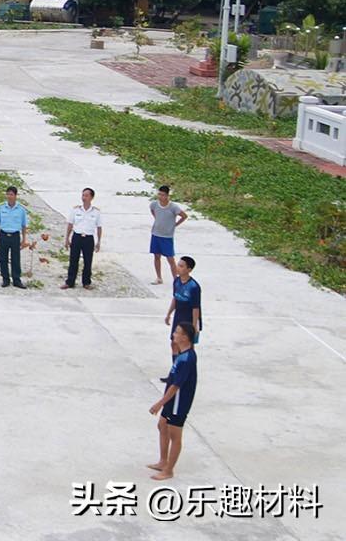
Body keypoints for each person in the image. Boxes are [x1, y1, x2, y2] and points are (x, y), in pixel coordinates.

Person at [148, 322, 198, 481]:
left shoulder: (188, 358)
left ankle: (169, 470)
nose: (174, 334)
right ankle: (163, 461)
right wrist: (174, 353)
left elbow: (176, 385)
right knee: (162, 425)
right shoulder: (182, 355)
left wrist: (160, 403)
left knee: (174, 434)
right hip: (172, 399)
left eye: (177, 332)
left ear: (185, 337)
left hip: (179, 402)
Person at [149, 186, 189, 286]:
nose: (160, 197)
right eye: (159, 194)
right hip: (156, 233)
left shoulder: (173, 207)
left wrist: (175, 224)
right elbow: (152, 210)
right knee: (156, 256)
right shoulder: (154, 204)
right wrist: (157, 219)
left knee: (170, 259)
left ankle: (176, 280)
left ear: (167, 195)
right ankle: (159, 277)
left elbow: (184, 216)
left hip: (167, 236)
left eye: (162, 195)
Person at [64, 188, 102, 290]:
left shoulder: (96, 212)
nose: (84, 198)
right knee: (73, 260)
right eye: (83, 195)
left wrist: (98, 242)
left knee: (88, 261)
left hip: (88, 238)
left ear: (91, 197)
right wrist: (67, 238)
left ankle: (86, 282)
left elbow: (99, 227)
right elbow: (70, 224)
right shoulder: (76, 210)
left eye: (86, 196)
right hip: (77, 236)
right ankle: (70, 281)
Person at [0, 186, 27, 289]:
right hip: (3, 235)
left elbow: (24, 225)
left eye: (11, 194)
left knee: (16, 258)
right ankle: (5, 279)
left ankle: (16, 279)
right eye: (8, 194)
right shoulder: (1, 207)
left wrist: (24, 239)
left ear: (16, 196)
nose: (9, 196)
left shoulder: (21, 209)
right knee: (3, 258)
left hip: (15, 235)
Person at [165, 256, 202, 344]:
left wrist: (193, 327)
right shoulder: (176, 282)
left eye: (181, 266)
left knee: (187, 345)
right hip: (178, 316)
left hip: (189, 319)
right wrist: (169, 314)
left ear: (189, 269)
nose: (178, 268)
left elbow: (196, 309)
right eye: (178, 265)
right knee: (174, 343)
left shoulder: (194, 287)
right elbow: (175, 298)